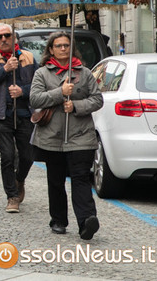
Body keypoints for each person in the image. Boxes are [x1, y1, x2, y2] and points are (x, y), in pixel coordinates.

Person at [30, 32, 103, 239]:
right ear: (51, 49)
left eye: (66, 45)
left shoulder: (85, 73)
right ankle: (59, 220)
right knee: (56, 179)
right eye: (58, 46)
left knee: (80, 178)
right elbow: (35, 99)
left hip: (80, 135)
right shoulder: (42, 74)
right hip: (52, 136)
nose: (63, 49)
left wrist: (77, 105)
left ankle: (87, 220)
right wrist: (59, 93)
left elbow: (97, 100)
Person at [0, 23, 38, 213]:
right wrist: (4, 69)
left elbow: (38, 86)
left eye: (7, 35)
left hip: (24, 113)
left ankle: (19, 179)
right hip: (1, 114)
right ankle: (12, 196)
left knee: (28, 156)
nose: (4, 40)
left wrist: (22, 91)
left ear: (14, 38)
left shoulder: (28, 57)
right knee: (7, 156)